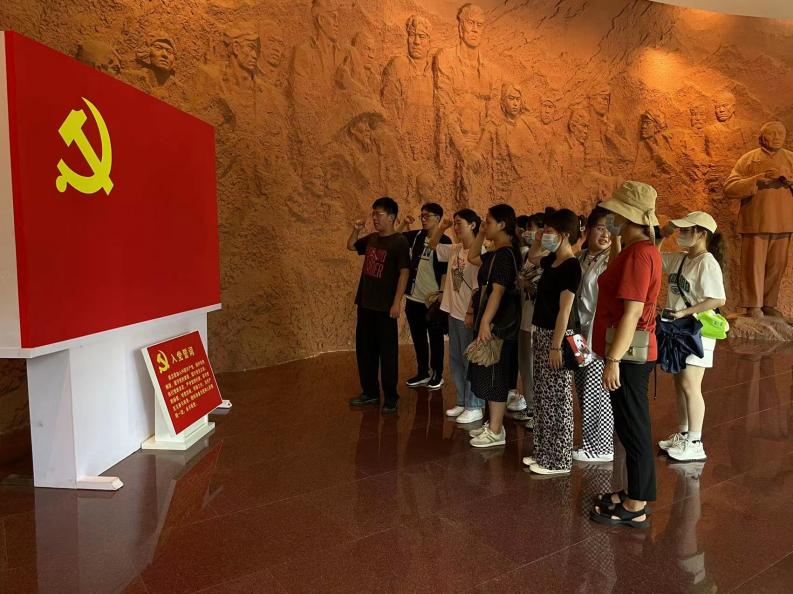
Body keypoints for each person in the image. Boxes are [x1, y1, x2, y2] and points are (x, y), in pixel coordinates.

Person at [590, 181, 662, 529]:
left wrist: (613, 359)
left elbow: (632, 312)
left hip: (630, 355)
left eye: (616, 214)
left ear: (628, 216)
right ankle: (632, 491)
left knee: (634, 428)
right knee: (627, 425)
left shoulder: (639, 254)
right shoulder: (636, 249)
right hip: (628, 351)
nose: (612, 220)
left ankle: (637, 503)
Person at [656, 212, 727, 462]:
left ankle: (695, 442)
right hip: (678, 330)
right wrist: (662, 237)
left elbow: (718, 299)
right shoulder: (682, 259)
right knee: (680, 384)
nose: (681, 234)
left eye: (687, 230)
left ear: (701, 234)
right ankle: (685, 434)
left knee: (690, 385)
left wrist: (685, 312)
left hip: (695, 331)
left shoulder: (707, 262)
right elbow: (653, 259)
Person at [522, 209, 582, 474]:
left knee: (558, 398)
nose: (544, 235)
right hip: (541, 331)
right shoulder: (552, 260)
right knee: (542, 396)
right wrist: (538, 240)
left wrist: (555, 346)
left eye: (549, 232)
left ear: (564, 235)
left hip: (556, 336)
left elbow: (565, 311)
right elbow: (532, 258)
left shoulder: (571, 266)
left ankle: (559, 459)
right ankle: (543, 452)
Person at [347, 197, 410, 415]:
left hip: (385, 307)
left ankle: (391, 397)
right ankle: (370, 392)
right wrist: (356, 230)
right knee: (365, 350)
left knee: (388, 353)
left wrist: (396, 302)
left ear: (391, 217)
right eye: (373, 214)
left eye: (379, 214)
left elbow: (404, 273)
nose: (375, 218)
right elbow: (351, 246)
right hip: (365, 303)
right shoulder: (372, 238)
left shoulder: (399, 242)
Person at [466, 204, 522, 447]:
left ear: (502, 224)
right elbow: (472, 257)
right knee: (488, 372)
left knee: (495, 375)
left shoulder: (505, 255)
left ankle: (497, 430)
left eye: (488, 222)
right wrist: (480, 233)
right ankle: (493, 424)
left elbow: (497, 292)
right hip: (492, 323)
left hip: (499, 326)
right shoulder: (495, 253)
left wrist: (485, 322)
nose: (484, 225)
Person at [428, 209, 485, 424]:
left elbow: (479, 287)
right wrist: (441, 228)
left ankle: (475, 405)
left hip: (467, 315)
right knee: (456, 360)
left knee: (470, 361)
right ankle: (462, 400)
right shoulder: (455, 249)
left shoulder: (480, 252)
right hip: (453, 312)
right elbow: (432, 246)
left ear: (473, 225)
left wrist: (470, 311)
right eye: (454, 222)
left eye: (459, 222)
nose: (456, 226)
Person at [572, 208, 614, 463]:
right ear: (588, 231)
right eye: (600, 228)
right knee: (582, 385)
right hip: (578, 333)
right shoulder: (581, 256)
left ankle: (601, 446)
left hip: (596, 334)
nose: (605, 234)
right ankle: (589, 441)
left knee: (596, 390)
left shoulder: (611, 259)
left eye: (610, 229)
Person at [399, 203, 451, 389]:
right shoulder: (417, 236)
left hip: (431, 299)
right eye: (422, 216)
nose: (423, 219)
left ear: (438, 218)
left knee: (435, 337)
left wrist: (441, 294)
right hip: (414, 297)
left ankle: (437, 373)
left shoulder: (445, 240)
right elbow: (396, 238)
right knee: (418, 337)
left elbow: (445, 271)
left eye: (427, 216)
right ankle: (422, 372)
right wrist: (404, 223)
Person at [510, 212, 546, 425]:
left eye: (532, 228)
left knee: (538, 367)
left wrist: (529, 286)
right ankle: (531, 407)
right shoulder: (527, 255)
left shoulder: (549, 257)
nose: (527, 232)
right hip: (525, 317)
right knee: (525, 364)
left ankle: (540, 412)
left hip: (539, 320)